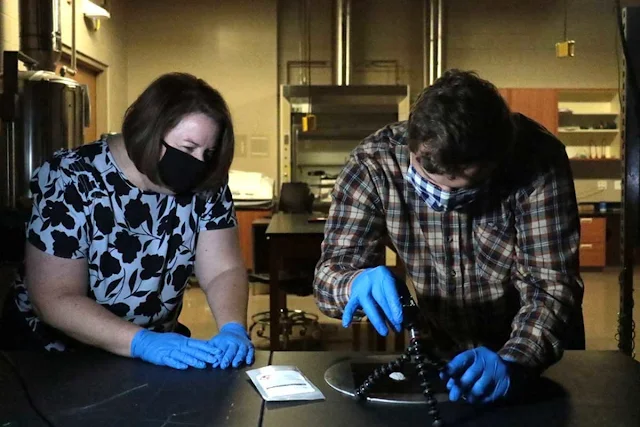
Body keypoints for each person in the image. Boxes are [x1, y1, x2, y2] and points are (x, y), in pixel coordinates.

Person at [313, 69, 584, 404]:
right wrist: (354, 282)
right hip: (443, 357)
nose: (443, 197)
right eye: (429, 179)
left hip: (535, 357)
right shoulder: (375, 163)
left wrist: (516, 359)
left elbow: (551, 286)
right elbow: (328, 280)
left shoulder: (537, 159)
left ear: (496, 161)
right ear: (411, 143)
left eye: (462, 188)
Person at [0, 72, 254, 371]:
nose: (198, 162)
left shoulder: (206, 181)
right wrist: (141, 342)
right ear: (147, 131)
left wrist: (232, 328)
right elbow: (55, 297)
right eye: (187, 148)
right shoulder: (71, 178)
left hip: (151, 356)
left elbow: (223, 269)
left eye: (207, 152)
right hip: (53, 359)